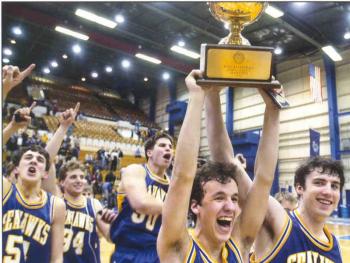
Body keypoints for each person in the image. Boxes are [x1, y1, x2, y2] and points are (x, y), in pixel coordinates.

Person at [157, 69, 280, 263]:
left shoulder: (240, 243)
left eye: (234, 198)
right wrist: (197, 97)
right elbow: (182, 177)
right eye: (219, 197)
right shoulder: (179, 249)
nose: (231, 207)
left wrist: (273, 111)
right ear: (195, 206)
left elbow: (264, 180)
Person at [250, 156, 344, 263]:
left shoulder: (335, 246)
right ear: (299, 188)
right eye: (319, 183)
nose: (328, 191)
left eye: (335, 186)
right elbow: (260, 183)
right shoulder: (280, 224)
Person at [109, 131, 174, 263]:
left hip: (157, 251)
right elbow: (141, 202)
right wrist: (177, 207)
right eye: (162, 145)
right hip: (129, 249)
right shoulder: (136, 170)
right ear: (149, 153)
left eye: (170, 146)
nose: (168, 148)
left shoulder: (172, 184)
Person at [2, 145, 66, 263]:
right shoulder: (5, 190)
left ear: (46, 174)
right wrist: (12, 128)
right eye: (28, 157)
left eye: (40, 160)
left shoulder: (56, 206)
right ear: (16, 168)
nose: (34, 161)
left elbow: (57, 258)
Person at [58, 160, 116, 263]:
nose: (79, 180)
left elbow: (109, 236)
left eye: (81, 177)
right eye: (73, 177)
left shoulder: (94, 204)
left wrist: (114, 224)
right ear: (62, 182)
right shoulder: (56, 205)